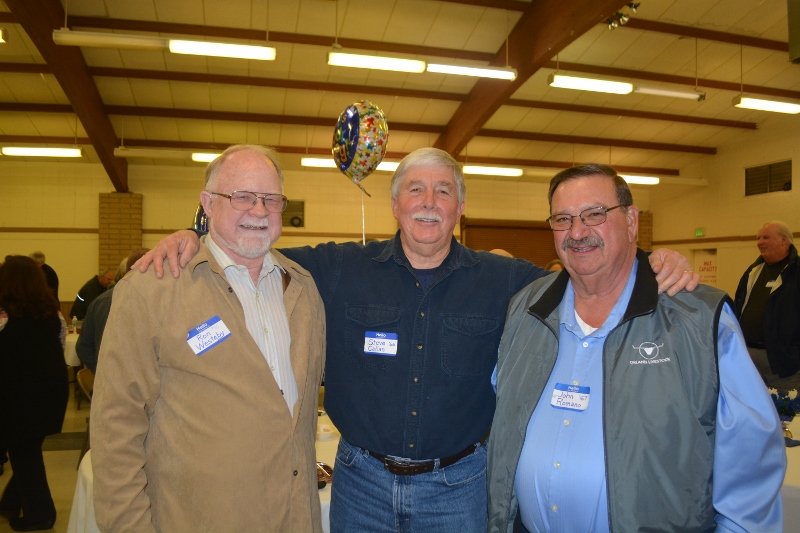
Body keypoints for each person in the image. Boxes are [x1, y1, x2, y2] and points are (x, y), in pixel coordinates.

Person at [138, 148, 698, 532]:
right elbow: (251, 246)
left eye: (443, 190)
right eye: (415, 189)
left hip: (459, 488)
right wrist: (196, 232)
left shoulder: (507, 282)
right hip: (360, 485)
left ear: (459, 206)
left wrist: (653, 260)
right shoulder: (337, 270)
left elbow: (590, 268)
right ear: (395, 204)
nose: (428, 201)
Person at [487, 164, 785, 533]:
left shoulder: (696, 319)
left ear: (631, 221)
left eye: (594, 214)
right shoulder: (526, 309)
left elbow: (750, 462)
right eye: (563, 219)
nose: (577, 232)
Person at [91, 145, 327, 533]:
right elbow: (115, 430)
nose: (258, 210)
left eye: (271, 199)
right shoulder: (153, 290)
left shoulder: (302, 288)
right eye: (241, 197)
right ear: (207, 203)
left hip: (294, 517)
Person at [0, 256, 69, 532]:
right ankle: (9, 502)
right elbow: (60, 348)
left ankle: (41, 514)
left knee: (25, 454)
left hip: (17, 397)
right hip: (48, 394)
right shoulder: (52, 313)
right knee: (26, 450)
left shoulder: (6, 317)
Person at [734, 221, 800, 391]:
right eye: (758, 238)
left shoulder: (797, 272)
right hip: (748, 356)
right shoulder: (753, 271)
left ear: (783, 240)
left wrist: (793, 353)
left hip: (784, 362)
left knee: (786, 411)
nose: (760, 242)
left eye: (766, 237)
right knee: (753, 408)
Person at [75, 248, 149, 373]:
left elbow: (83, 348)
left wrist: (102, 373)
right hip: (131, 382)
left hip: (111, 381)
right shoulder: (119, 302)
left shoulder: (100, 301)